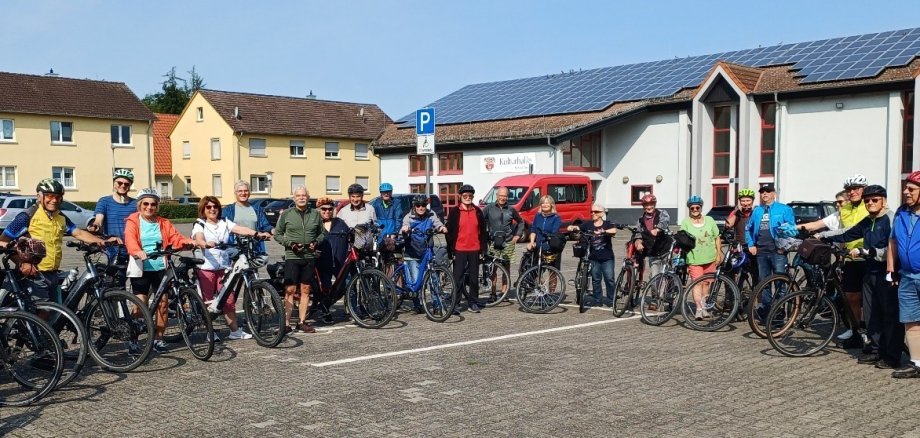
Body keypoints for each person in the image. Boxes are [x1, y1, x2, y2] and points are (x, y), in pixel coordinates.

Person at [0, 179, 118, 302]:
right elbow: (3, 242)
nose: (54, 200)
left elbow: (78, 232)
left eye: (58, 197)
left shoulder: (60, 216)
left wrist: (103, 241)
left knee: (54, 312)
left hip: (53, 272)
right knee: (42, 312)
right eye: (49, 196)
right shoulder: (27, 216)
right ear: (39, 196)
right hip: (34, 273)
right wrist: (22, 263)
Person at [824, 185, 901, 368]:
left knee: (889, 315)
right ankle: (875, 350)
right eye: (867, 201)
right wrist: (821, 235)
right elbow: (846, 233)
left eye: (874, 200)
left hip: (887, 273)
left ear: (884, 200)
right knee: (872, 313)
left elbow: (894, 247)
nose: (870, 203)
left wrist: (869, 251)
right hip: (869, 273)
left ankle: (892, 356)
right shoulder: (868, 220)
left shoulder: (891, 219)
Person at [124, 188, 202, 353]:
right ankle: (133, 340)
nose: (149, 207)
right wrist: (137, 251)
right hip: (141, 267)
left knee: (163, 305)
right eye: (145, 203)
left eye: (153, 204)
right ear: (140, 205)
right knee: (140, 306)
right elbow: (130, 239)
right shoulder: (133, 221)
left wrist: (187, 242)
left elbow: (176, 238)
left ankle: (158, 340)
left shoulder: (163, 222)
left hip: (160, 267)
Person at [192, 196, 270, 341]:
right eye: (208, 207)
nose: (212, 209)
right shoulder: (200, 224)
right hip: (206, 266)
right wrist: (205, 243)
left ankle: (234, 331)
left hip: (223, 266)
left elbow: (239, 229)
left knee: (228, 298)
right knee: (208, 301)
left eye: (215, 206)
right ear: (203, 209)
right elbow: (198, 238)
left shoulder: (224, 222)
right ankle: (210, 331)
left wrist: (257, 234)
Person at [273, 186, 324, 334]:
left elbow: (321, 234)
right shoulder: (286, 214)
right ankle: (286, 324)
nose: (301, 198)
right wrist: (291, 244)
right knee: (290, 290)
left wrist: (316, 242)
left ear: (308, 198)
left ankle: (302, 322)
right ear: (294, 198)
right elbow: (277, 234)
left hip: (309, 256)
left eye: (304, 195)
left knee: (306, 289)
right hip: (292, 256)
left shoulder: (315, 214)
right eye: (298, 195)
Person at [745, 183, 795, 320]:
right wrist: (751, 244)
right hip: (761, 251)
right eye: (762, 192)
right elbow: (748, 228)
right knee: (764, 283)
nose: (764, 194)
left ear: (774, 193)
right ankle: (766, 312)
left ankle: (779, 313)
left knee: (780, 282)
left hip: (778, 251)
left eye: (768, 191)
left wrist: (784, 244)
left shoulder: (784, 209)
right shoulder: (757, 210)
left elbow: (792, 228)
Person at [887, 170, 920, 378]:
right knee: (911, 321)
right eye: (905, 188)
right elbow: (893, 242)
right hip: (907, 276)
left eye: (911, 189)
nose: (906, 192)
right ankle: (916, 363)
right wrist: (890, 269)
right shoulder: (901, 213)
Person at [400, 195, 447, 313]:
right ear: (414, 206)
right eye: (418, 205)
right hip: (413, 252)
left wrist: (441, 227)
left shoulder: (431, 215)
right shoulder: (409, 217)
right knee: (417, 282)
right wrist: (405, 228)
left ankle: (437, 305)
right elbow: (404, 226)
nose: (421, 208)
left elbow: (437, 223)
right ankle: (417, 304)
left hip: (427, 251)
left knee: (433, 279)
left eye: (423, 205)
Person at [446, 184, 488, 313]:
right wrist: (450, 251)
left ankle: (473, 302)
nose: (468, 197)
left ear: (473, 197)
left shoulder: (478, 211)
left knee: (474, 278)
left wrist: (483, 249)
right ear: (460, 197)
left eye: (470, 196)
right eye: (465, 196)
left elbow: (483, 231)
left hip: (474, 249)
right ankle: (456, 303)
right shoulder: (454, 212)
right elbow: (449, 232)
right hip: (459, 249)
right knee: (457, 278)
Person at [88, 169, 137, 274]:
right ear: (114, 184)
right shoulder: (105, 201)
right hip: (114, 249)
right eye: (119, 183)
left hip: (134, 248)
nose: (123, 186)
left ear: (130, 185)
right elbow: (99, 219)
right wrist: (95, 225)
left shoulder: (135, 204)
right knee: (118, 282)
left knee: (137, 282)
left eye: (126, 183)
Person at [681, 195, 722, 320]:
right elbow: (683, 239)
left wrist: (719, 253)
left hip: (710, 258)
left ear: (701, 207)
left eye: (697, 207)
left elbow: (717, 237)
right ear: (689, 209)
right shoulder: (686, 222)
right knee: (697, 284)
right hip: (694, 259)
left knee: (706, 284)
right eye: (692, 208)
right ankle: (698, 309)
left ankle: (705, 308)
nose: (694, 210)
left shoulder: (709, 220)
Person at [567, 204, 617, 307]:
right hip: (593, 257)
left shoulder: (607, 224)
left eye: (596, 212)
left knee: (609, 279)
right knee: (596, 279)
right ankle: (598, 300)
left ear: (602, 214)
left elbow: (614, 231)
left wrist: (604, 231)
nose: (593, 213)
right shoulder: (588, 224)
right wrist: (572, 227)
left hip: (607, 257)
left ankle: (612, 299)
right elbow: (578, 227)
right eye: (592, 212)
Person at [482, 186, 524, 302]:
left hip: (508, 242)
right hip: (493, 242)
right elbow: (479, 220)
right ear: (497, 196)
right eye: (501, 195)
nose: (503, 198)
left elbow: (521, 222)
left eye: (505, 196)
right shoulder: (488, 208)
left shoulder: (511, 209)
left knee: (506, 268)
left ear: (507, 197)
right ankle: (493, 293)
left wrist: (517, 236)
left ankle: (504, 292)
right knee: (493, 269)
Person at [315, 196, 350, 323]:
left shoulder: (340, 222)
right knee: (325, 287)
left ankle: (325, 305)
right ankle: (325, 310)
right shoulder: (315, 224)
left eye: (330, 209)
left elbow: (350, 236)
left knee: (343, 287)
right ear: (318, 210)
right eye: (324, 209)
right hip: (322, 263)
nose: (327, 211)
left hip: (340, 261)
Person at [222, 180, 274, 253]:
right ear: (235, 193)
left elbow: (265, 225)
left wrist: (273, 230)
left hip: (255, 249)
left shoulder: (257, 209)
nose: (243, 193)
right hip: (235, 249)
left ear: (249, 193)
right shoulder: (228, 210)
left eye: (246, 191)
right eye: (240, 191)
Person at [634, 194, 672, 280]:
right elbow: (638, 233)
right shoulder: (641, 220)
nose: (649, 207)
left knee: (667, 275)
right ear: (643, 206)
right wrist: (638, 242)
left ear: (654, 204)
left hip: (666, 250)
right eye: (646, 205)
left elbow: (665, 221)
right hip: (653, 252)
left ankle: (671, 289)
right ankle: (656, 293)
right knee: (655, 279)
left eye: (651, 204)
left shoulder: (662, 213)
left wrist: (658, 229)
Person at [527, 195, 563, 269]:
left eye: (547, 203)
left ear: (551, 205)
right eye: (543, 203)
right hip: (539, 247)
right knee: (536, 270)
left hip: (551, 247)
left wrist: (545, 243)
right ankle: (539, 280)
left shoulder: (556, 217)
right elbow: (533, 229)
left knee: (552, 272)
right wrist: (531, 242)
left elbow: (554, 232)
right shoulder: (538, 216)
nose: (545, 205)